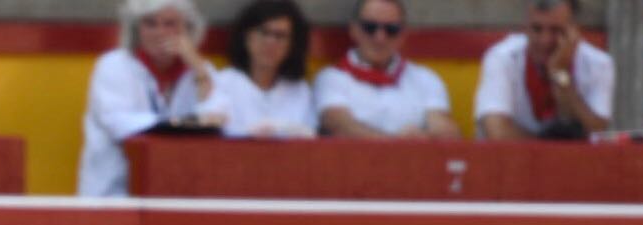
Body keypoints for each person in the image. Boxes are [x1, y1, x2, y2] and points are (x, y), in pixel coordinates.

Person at [77, 0, 225, 197]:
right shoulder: (113, 65)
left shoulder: (200, 70)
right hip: (114, 192)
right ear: (136, 29)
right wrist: (178, 126)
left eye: (170, 24)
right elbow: (118, 123)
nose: (160, 32)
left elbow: (219, 119)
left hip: (178, 193)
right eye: (150, 24)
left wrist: (198, 67)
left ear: (188, 30)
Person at [313, 0, 458, 139]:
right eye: (370, 27)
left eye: (391, 29)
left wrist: (424, 137)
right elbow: (340, 126)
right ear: (353, 30)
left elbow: (445, 130)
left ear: (403, 34)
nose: (380, 38)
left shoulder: (425, 79)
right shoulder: (331, 78)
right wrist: (398, 144)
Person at [474, 0, 611, 140]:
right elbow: (497, 133)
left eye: (556, 30)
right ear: (525, 28)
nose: (545, 40)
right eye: (537, 29)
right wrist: (550, 152)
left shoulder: (598, 64)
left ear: (573, 31)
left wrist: (560, 74)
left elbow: (596, 133)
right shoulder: (502, 58)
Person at [218, 0, 315, 138]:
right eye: (263, 32)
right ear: (246, 36)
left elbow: (308, 138)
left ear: (292, 45)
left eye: (280, 36)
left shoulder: (300, 90)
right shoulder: (222, 84)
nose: (270, 42)